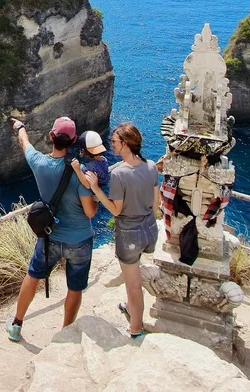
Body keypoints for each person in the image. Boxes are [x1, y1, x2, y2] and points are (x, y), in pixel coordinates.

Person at [5, 116, 98, 343]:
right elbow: (90, 212)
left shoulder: (39, 163)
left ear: (50, 137)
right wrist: (94, 193)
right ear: (74, 140)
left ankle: (17, 324)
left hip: (50, 237)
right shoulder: (81, 172)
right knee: (74, 288)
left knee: (34, 275)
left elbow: (24, 143)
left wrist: (20, 127)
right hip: (80, 240)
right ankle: (66, 332)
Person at [80, 123, 159, 339]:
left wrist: (95, 188)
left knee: (132, 283)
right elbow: (156, 204)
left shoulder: (120, 174)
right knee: (134, 274)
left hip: (130, 234)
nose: (111, 144)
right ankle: (132, 307)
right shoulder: (151, 166)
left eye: (114, 141)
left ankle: (136, 329)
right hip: (149, 230)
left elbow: (116, 210)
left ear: (124, 144)